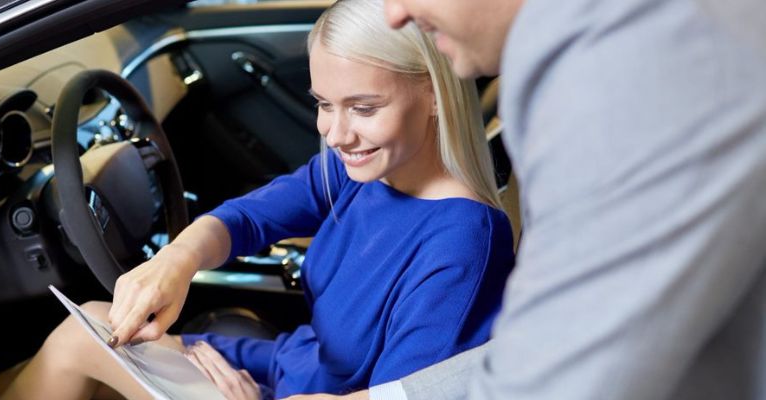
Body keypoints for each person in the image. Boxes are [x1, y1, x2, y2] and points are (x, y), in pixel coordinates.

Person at [0, 0, 516, 398]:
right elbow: (248, 217)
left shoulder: (464, 244)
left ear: (432, 95)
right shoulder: (361, 170)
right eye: (324, 104)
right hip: (289, 363)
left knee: (78, 342)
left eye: (363, 107)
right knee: (89, 321)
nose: (336, 134)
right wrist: (176, 261)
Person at [289, 0, 766, 398]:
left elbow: (560, 373)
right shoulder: (570, 64)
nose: (396, 12)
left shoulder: (632, 75)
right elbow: (547, 336)